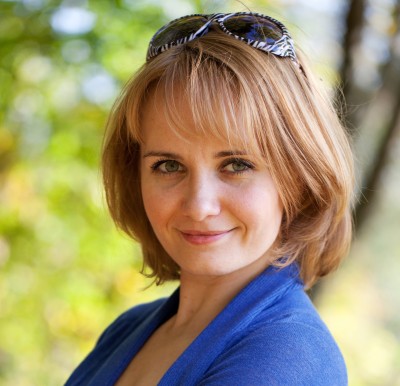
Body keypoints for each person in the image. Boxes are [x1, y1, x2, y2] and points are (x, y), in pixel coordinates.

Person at [65, 11, 354, 386]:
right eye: (169, 165)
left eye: (236, 165)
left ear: (298, 178)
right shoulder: (128, 330)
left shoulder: (287, 357)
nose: (199, 206)